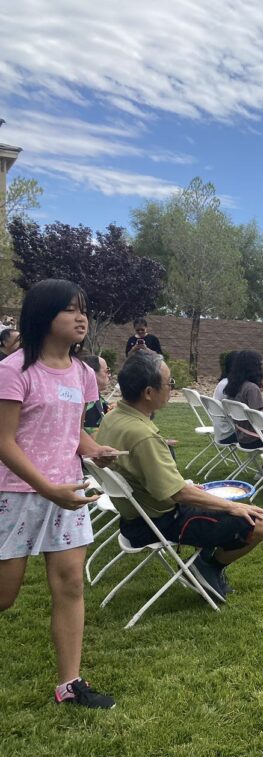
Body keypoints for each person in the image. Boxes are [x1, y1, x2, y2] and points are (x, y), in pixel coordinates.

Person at [0, 278, 120, 709]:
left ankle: (70, 685)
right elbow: (5, 441)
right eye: (69, 309)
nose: (80, 316)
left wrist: (95, 450)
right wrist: (47, 488)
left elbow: (73, 434)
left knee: (70, 584)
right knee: (4, 596)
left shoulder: (84, 373)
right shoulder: (13, 371)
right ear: (42, 316)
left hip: (68, 492)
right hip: (16, 494)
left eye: (82, 309)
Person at [96, 350, 263, 599]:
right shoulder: (141, 434)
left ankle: (204, 564)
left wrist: (188, 487)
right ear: (148, 392)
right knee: (258, 524)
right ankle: (206, 566)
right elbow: (177, 493)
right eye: (169, 384)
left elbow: (164, 483)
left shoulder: (113, 417)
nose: (171, 389)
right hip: (158, 522)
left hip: (135, 519)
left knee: (221, 504)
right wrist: (231, 507)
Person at [81, 355, 112, 431]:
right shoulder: (85, 402)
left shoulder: (96, 396)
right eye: (107, 371)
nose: (109, 375)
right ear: (92, 372)